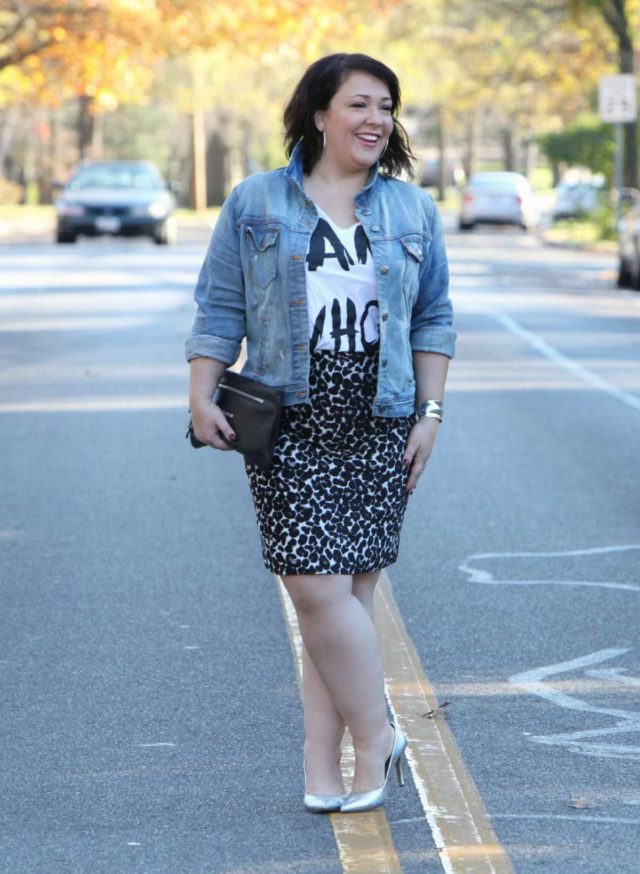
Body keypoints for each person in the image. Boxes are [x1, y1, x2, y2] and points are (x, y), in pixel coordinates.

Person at [186, 52, 455, 814]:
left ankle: (323, 765)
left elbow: (433, 315)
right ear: (318, 114)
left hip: (381, 411)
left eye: (387, 107)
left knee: (341, 604)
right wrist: (201, 394)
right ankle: (378, 736)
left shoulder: (410, 210)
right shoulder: (256, 203)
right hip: (288, 414)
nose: (376, 120)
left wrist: (430, 414)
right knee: (314, 584)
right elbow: (219, 307)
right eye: (360, 104)